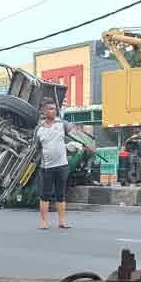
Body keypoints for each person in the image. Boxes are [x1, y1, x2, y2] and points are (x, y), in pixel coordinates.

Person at [35, 98, 91, 229]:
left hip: (62, 166)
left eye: (54, 109)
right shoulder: (39, 129)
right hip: (47, 167)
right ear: (44, 111)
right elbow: (37, 148)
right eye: (50, 109)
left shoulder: (62, 124)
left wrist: (87, 144)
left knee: (61, 194)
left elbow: (76, 135)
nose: (53, 111)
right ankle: (43, 222)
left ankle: (62, 221)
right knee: (45, 195)